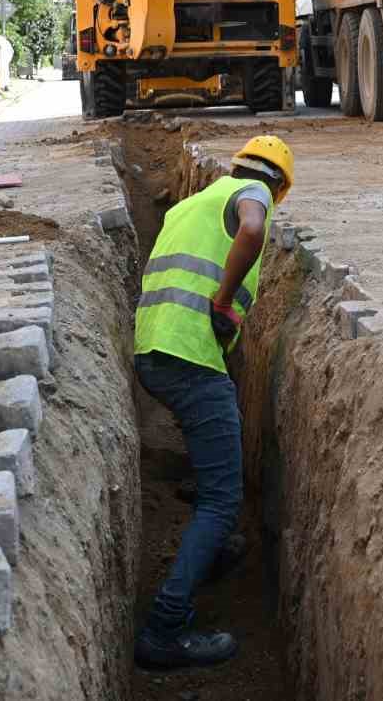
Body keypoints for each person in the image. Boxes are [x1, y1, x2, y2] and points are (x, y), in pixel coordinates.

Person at [131, 135, 295, 670]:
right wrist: (223, 301)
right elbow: (252, 228)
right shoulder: (255, 193)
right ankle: (165, 628)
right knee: (223, 499)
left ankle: (211, 551)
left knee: (216, 459)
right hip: (190, 359)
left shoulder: (191, 205)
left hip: (154, 352)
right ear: (277, 184)